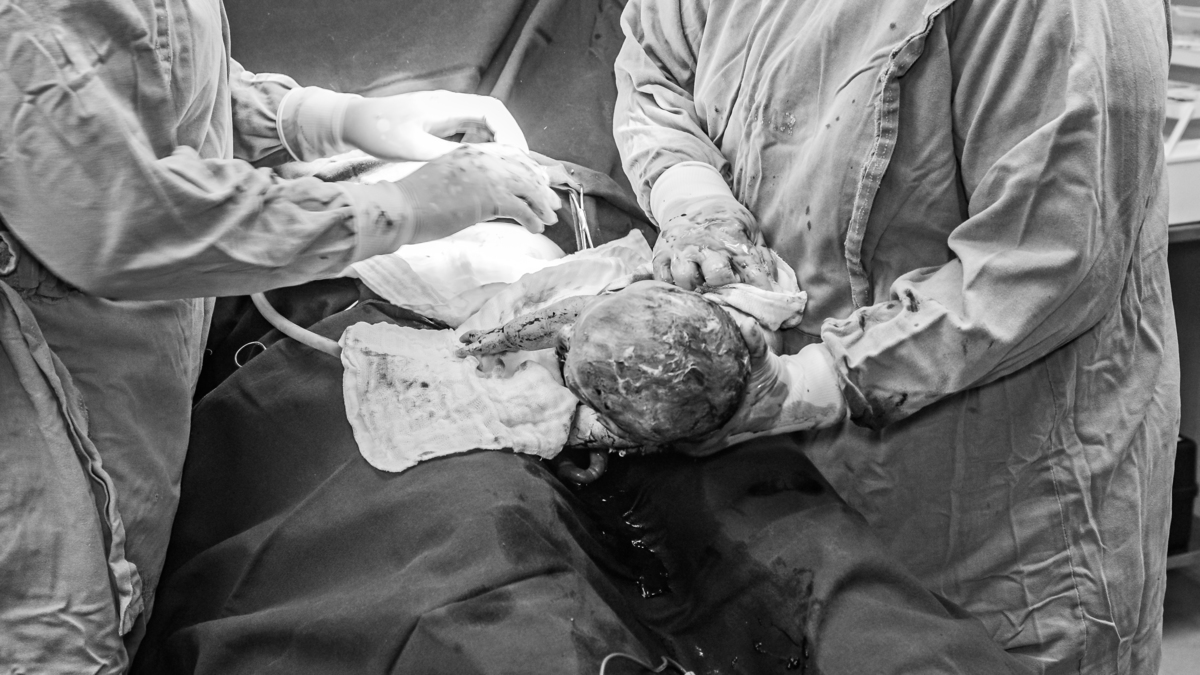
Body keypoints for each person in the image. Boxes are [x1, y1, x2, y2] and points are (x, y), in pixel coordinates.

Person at [613, 0, 1178, 673]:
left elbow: (1043, 257)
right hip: (785, 490)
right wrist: (696, 200)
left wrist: (807, 384)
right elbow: (655, 71)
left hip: (993, 512)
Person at [0, 0, 559, 670]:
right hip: (38, 467)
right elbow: (121, 218)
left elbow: (143, 76)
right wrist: (403, 206)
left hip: (133, 388)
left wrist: (319, 119)